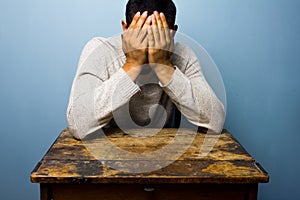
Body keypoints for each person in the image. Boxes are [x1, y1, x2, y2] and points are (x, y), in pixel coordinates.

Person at [66, 0, 225, 139]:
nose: (148, 46)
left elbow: (216, 121)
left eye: (158, 37)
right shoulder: (100, 50)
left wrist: (164, 66)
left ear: (173, 33)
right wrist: (132, 65)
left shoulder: (183, 55)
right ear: (125, 28)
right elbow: (77, 123)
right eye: (141, 35)